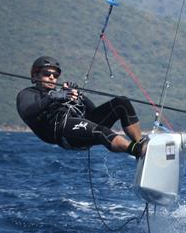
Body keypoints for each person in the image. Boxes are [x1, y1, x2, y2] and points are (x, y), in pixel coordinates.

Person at [16, 56, 148, 158]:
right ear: (34, 76)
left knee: (121, 103)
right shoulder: (27, 94)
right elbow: (28, 111)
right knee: (100, 131)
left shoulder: (60, 93)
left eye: (55, 75)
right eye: (47, 73)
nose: (51, 77)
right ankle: (136, 150)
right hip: (64, 134)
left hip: (78, 125)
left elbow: (92, 112)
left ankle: (140, 143)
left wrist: (79, 96)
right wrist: (55, 96)